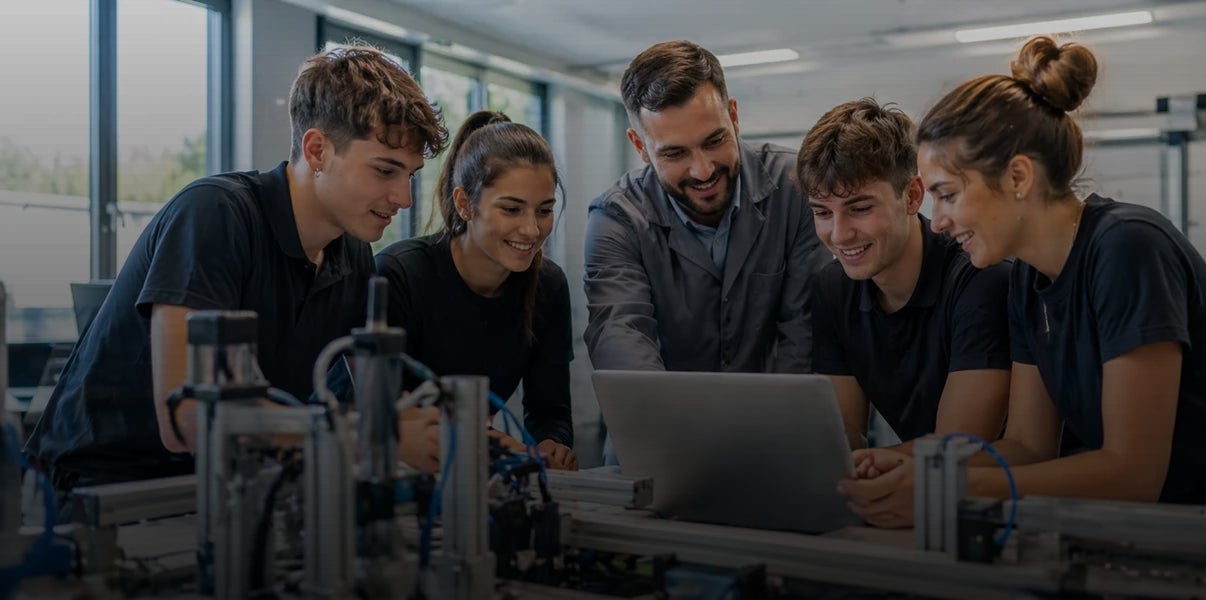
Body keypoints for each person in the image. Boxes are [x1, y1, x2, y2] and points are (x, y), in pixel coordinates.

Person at [837, 36, 1206, 548]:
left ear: (1018, 176)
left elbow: (1132, 473)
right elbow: (1027, 445)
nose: (939, 222)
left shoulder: (1128, 248)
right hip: (1197, 522)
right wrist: (910, 465)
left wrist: (943, 490)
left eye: (948, 195)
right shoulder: (1026, 280)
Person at [24, 46, 450, 504]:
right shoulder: (215, 214)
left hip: (225, 489)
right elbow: (185, 421)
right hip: (93, 496)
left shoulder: (354, 255)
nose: (403, 199)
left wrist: (448, 436)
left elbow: (378, 405)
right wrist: (369, 433)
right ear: (317, 149)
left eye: (410, 175)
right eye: (385, 170)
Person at [584, 40, 826, 375]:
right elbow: (621, 333)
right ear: (640, 146)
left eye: (714, 141)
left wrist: (781, 421)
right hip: (665, 420)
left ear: (735, 117)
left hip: (776, 416)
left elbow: (806, 332)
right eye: (675, 154)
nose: (703, 170)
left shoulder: (797, 189)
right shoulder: (617, 219)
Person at [795, 98, 1010, 458]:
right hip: (923, 491)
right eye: (822, 213)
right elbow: (842, 440)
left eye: (860, 209)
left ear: (911, 196)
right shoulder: (832, 290)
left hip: (1013, 499)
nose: (840, 234)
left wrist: (869, 463)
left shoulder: (980, 280)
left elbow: (959, 448)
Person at [376, 111, 577, 471]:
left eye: (544, 210)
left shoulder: (549, 285)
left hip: (475, 475)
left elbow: (550, 410)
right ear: (465, 203)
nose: (532, 229)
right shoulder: (399, 275)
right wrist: (504, 447)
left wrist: (553, 445)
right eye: (512, 209)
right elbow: (381, 412)